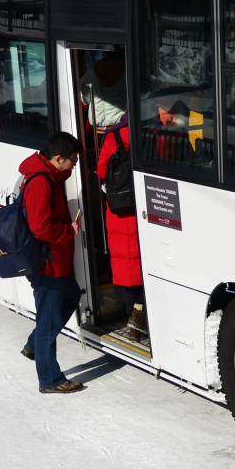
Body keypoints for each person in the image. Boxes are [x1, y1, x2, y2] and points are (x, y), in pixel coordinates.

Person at [18, 131, 86, 395]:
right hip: (48, 263)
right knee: (48, 322)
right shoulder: (41, 183)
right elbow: (41, 227)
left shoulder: (49, 175)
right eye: (73, 160)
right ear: (57, 158)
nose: (74, 165)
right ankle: (50, 380)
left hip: (57, 262)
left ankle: (35, 344)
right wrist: (69, 230)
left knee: (70, 296)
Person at [89, 57, 146, 340]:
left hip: (122, 207)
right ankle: (142, 316)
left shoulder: (115, 136)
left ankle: (134, 320)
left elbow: (101, 169)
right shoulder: (152, 130)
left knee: (128, 263)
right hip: (148, 205)